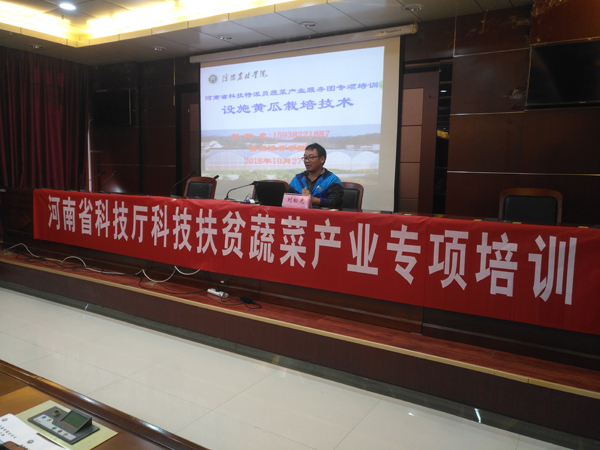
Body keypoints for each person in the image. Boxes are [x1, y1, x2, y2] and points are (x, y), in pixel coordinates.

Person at [288, 143, 343, 209]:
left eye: (311, 157)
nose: (307, 161)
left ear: (322, 159)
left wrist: (313, 199)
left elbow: (335, 202)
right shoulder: (297, 179)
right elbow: (286, 201)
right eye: (305, 158)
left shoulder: (332, 180)